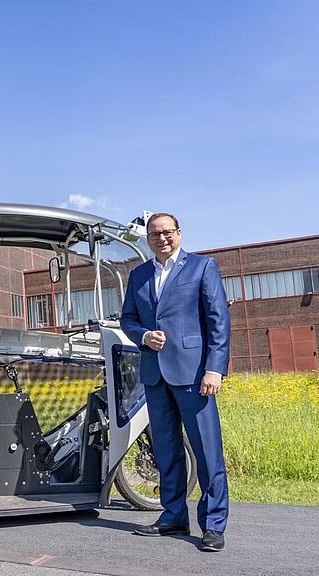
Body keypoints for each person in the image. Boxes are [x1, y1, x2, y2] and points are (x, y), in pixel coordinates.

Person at [120, 213, 230, 552]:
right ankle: (173, 515)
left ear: (179, 233)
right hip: (155, 375)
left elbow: (218, 321)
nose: (161, 238)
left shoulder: (202, 267)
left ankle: (213, 525)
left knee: (207, 452)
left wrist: (214, 369)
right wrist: (143, 336)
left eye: (167, 232)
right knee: (166, 450)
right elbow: (127, 319)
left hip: (195, 375)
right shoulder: (138, 275)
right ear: (148, 239)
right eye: (155, 234)